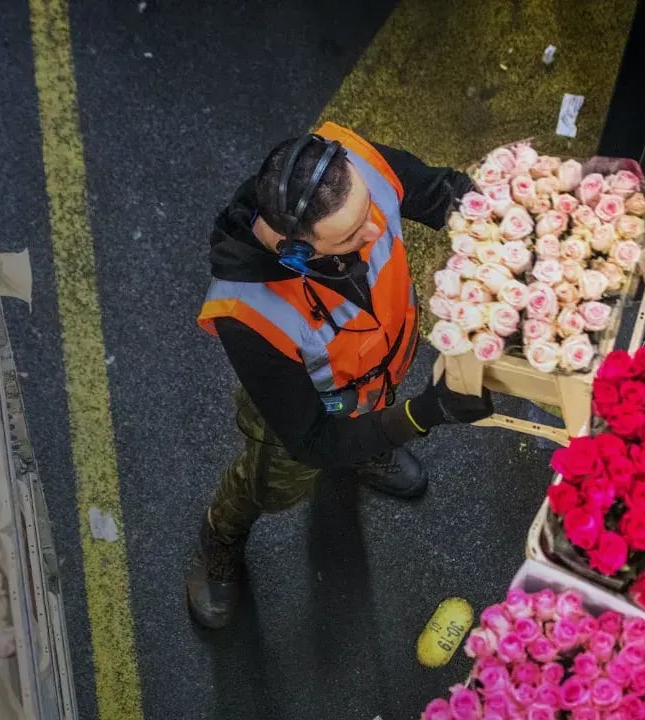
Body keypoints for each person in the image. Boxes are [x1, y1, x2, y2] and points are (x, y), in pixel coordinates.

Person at [188, 122, 495, 628]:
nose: (375, 230)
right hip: (319, 409)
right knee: (273, 486)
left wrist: (503, 231)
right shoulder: (246, 313)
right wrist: (425, 413)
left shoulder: (355, 168)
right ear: (296, 252)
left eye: (368, 212)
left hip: (381, 368)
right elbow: (311, 438)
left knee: (364, 426)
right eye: (352, 236)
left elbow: (442, 193)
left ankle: (368, 449)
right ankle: (220, 537)